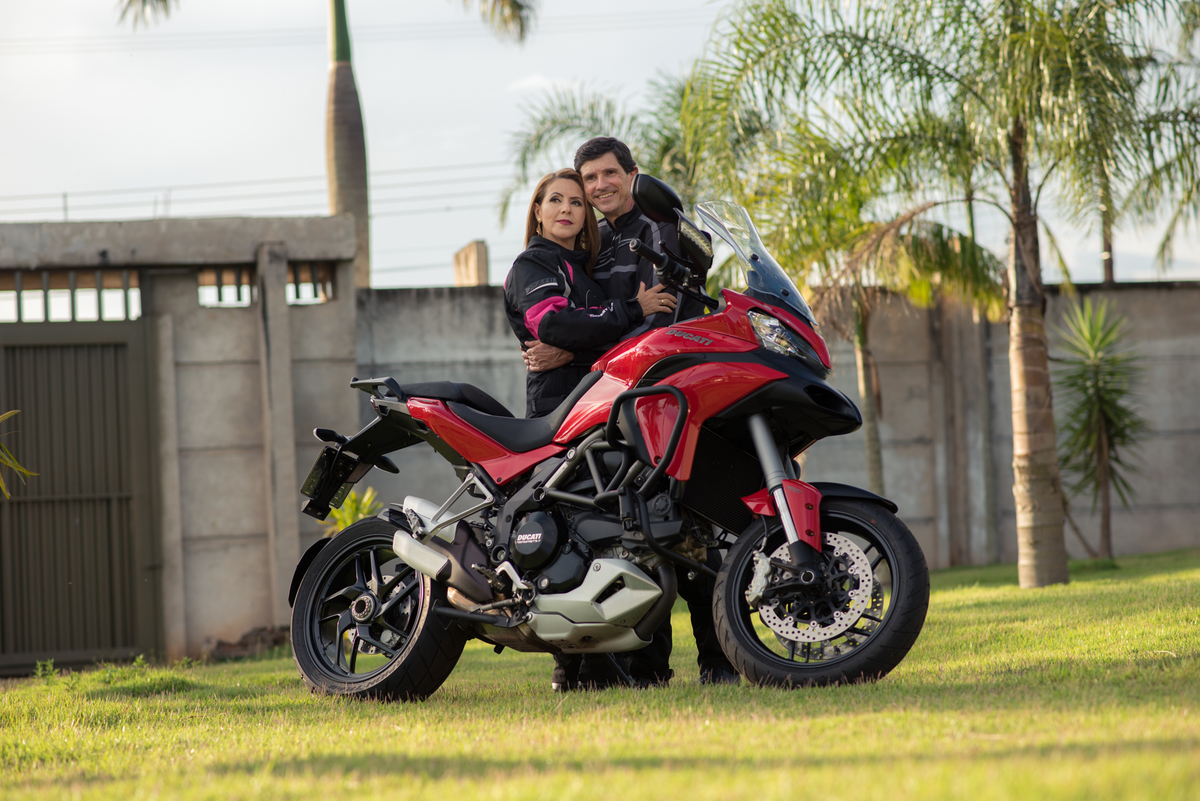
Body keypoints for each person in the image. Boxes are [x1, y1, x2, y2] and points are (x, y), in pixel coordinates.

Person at [523, 138, 740, 689]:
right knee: (624, 535)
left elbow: (663, 323)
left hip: (667, 399)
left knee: (688, 528)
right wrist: (576, 346)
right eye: (588, 179)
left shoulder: (661, 230)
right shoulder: (590, 248)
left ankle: (718, 661)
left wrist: (571, 350)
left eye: (608, 174)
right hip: (606, 407)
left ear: (632, 174)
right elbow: (585, 320)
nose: (598, 187)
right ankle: (641, 670)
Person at [503, 168, 678, 692]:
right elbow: (553, 324)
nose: (566, 209)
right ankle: (572, 671)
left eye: (577, 203)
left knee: (614, 532)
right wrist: (632, 309)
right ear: (537, 212)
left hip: (599, 404)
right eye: (555, 200)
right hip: (560, 409)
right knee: (568, 534)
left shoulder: (584, 271)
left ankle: (629, 669)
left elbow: (587, 335)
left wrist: (578, 346)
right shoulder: (533, 265)